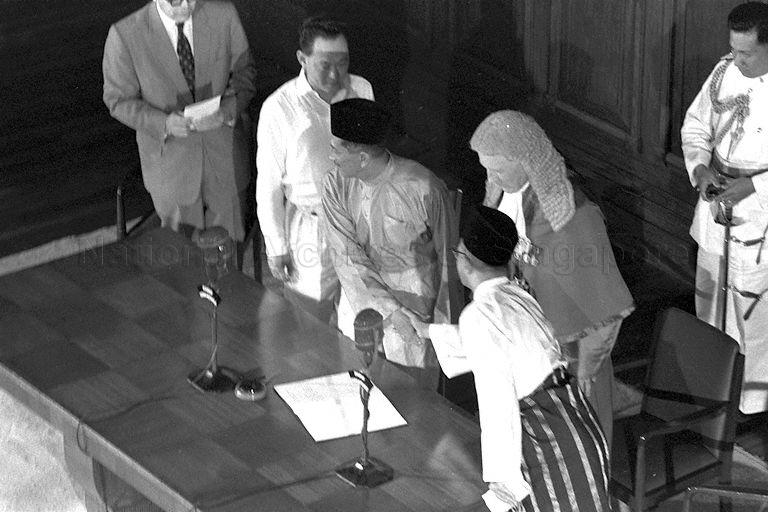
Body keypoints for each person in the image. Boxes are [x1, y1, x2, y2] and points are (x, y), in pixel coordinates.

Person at [411, 206, 610, 512]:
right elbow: (499, 347)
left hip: (549, 440)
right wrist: (424, 330)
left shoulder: (479, 316)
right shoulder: (517, 295)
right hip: (573, 422)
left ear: (465, 259)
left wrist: (502, 490)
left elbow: (497, 403)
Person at [470, 110, 635, 446]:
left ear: (527, 161)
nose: (490, 178)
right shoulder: (501, 193)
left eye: (498, 169)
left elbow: (603, 316)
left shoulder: (575, 216)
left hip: (571, 365)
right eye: (486, 168)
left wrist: (583, 375)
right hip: (523, 354)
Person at [321, 98, 461, 389]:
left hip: (415, 320)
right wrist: (391, 311)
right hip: (361, 309)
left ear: (362, 158)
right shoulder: (335, 184)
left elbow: (450, 264)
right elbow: (347, 258)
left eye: (336, 149)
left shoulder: (424, 188)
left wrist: (445, 335)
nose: (330, 156)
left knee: (416, 412)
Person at [103, 0, 256, 243]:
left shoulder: (224, 14)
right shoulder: (125, 34)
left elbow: (244, 74)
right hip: (172, 167)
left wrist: (227, 110)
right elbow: (118, 100)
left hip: (224, 158)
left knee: (229, 250)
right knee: (181, 257)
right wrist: (163, 123)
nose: (183, 4)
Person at [256, 16, 374, 322]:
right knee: (309, 329)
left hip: (359, 227)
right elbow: (267, 186)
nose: (336, 74)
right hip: (312, 231)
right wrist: (277, 246)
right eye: (324, 64)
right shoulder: (279, 108)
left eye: (343, 63)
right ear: (302, 59)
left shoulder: (361, 89)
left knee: (361, 322)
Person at [681, 1, 768, 415]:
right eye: (733, 50)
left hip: (759, 220)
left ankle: (751, 404)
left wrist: (753, 186)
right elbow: (696, 125)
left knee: (751, 313)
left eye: (747, 53)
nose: (737, 60)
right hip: (716, 208)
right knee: (709, 298)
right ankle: (711, 392)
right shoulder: (724, 72)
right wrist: (699, 169)